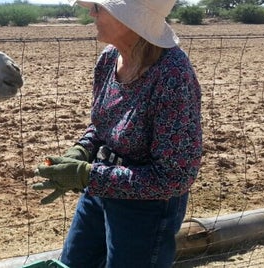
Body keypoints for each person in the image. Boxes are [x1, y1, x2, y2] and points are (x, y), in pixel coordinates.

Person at [32, 0, 203, 267]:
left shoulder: (173, 76)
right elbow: (101, 126)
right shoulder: (109, 58)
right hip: (99, 190)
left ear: (129, 19)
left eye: (99, 7)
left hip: (146, 209)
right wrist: (81, 150)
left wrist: (85, 174)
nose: (91, 12)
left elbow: (174, 177)